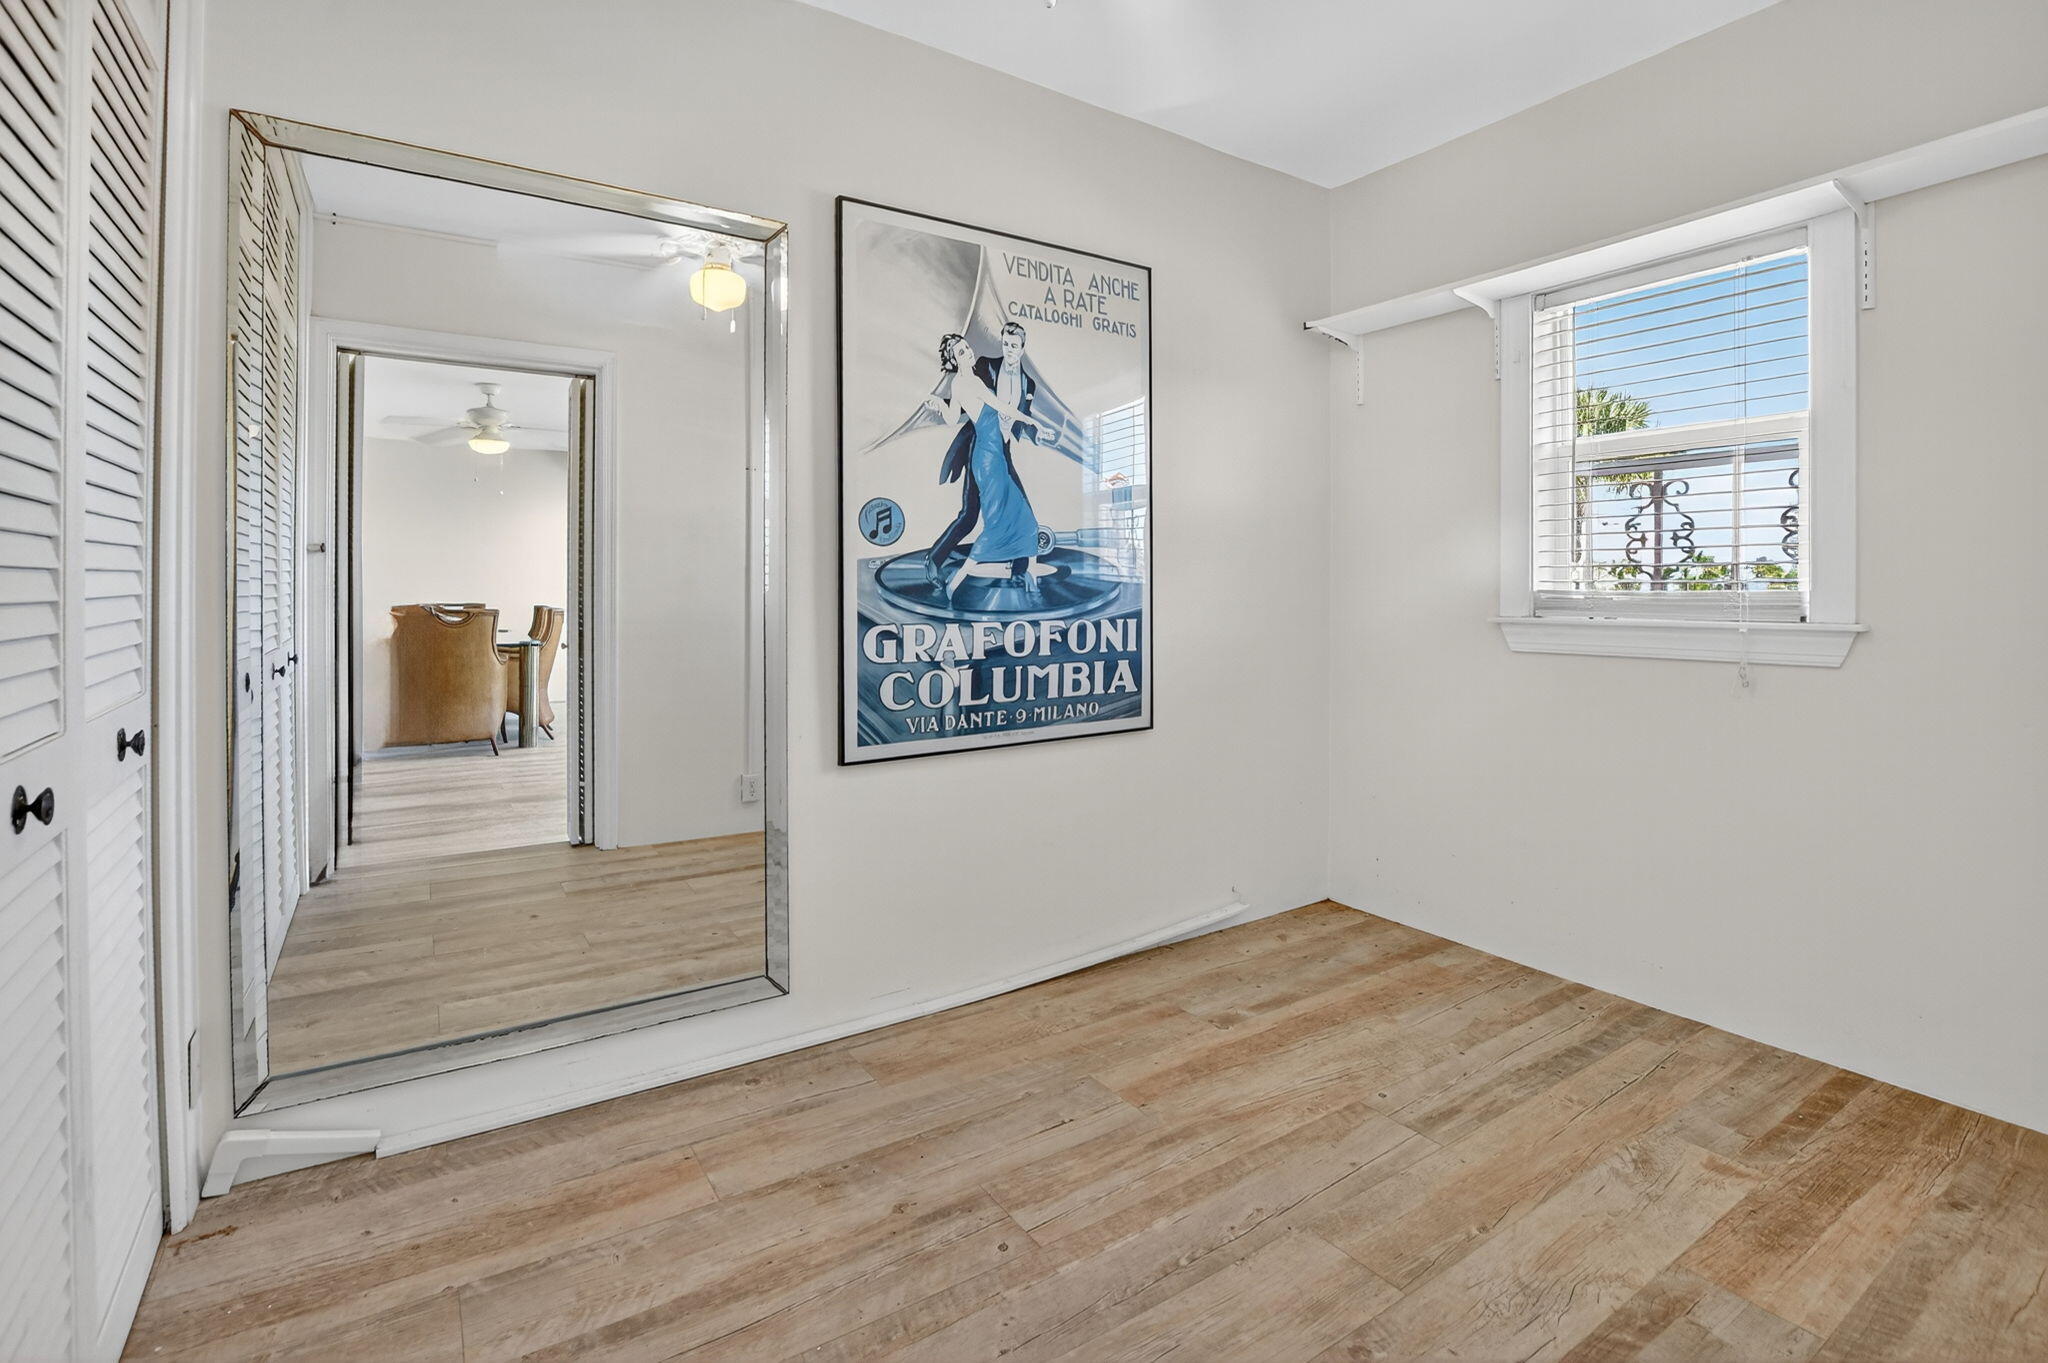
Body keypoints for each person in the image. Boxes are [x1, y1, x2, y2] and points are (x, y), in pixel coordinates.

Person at [923, 331, 1041, 596]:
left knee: (1016, 511)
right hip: (988, 454)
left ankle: (1023, 572)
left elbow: (953, 418)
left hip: (994, 451)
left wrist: (939, 405)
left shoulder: (961, 383)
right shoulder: (975, 379)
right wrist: (1030, 420)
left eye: (967, 346)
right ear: (954, 359)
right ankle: (952, 573)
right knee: (991, 516)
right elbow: (1000, 406)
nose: (969, 351)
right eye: (962, 351)